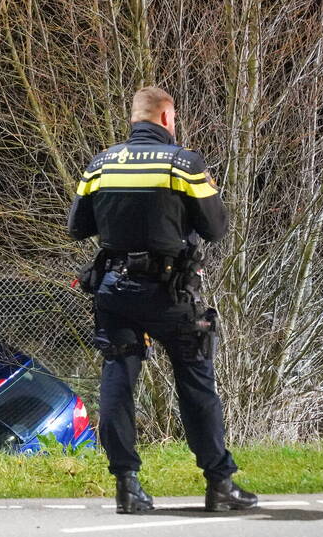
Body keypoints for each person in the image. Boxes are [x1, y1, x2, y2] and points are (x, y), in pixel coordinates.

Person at [67, 86, 258, 514]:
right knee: (195, 383)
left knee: (118, 381)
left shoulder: (100, 164)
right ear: (167, 119)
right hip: (170, 293)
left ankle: (127, 487)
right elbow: (216, 228)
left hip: (114, 290)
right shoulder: (184, 163)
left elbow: (77, 227)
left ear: (134, 119)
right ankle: (219, 484)